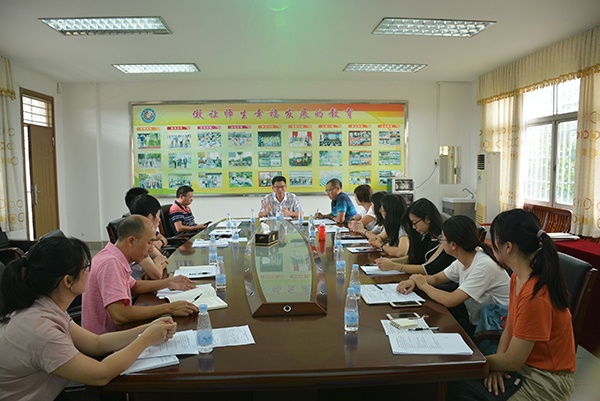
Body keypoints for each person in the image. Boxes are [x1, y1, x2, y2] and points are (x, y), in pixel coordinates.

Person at [0, 236, 177, 400]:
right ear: (68, 281)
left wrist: (148, 328)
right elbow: (101, 374)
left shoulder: (47, 306)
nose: (89, 272)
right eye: (86, 268)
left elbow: (95, 343)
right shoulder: (40, 329)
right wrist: (146, 339)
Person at [449, 209, 576, 401]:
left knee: (457, 387)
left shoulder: (535, 295)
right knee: (456, 386)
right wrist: (498, 366)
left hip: (544, 380)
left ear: (508, 247)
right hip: (523, 367)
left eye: (494, 239)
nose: (490, 244)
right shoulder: (517, 277)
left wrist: (465, 363)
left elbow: (513, 361)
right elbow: (509, 329)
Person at [82, 215, 198, 335]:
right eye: (149, 243)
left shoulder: (113, 256)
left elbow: (133, 286)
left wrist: (168, 282)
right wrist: (168, 308)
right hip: (107, 339)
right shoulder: (110, 263)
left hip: (117, 333)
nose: (151, 249)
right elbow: (119, 315)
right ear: (131, 241)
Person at [396, 215, 509, 337]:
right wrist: (414, 281)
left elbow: (450, 300)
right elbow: (436, 279)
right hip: (479, 321)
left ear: (453, 245)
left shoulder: (483, 265)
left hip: (494, 328)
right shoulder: (464, 259)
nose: (441, 242)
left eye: (442, 239)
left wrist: (423, 285)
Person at [375, 198, 454, 275]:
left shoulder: (444, 240)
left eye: (414, 222)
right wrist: (391, 262)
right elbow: (415, 258)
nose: (413, 227)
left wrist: (394, 266)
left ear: (427, 219)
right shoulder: (427, 236)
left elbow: (427, 268)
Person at [129, 194, 170, 280]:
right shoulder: (139, 239)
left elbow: (164, 260)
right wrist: (157, 261)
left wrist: (152, 270)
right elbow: (157, 275)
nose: (159, 220)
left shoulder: (140, 231)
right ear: (150, 217)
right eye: (158, 216)